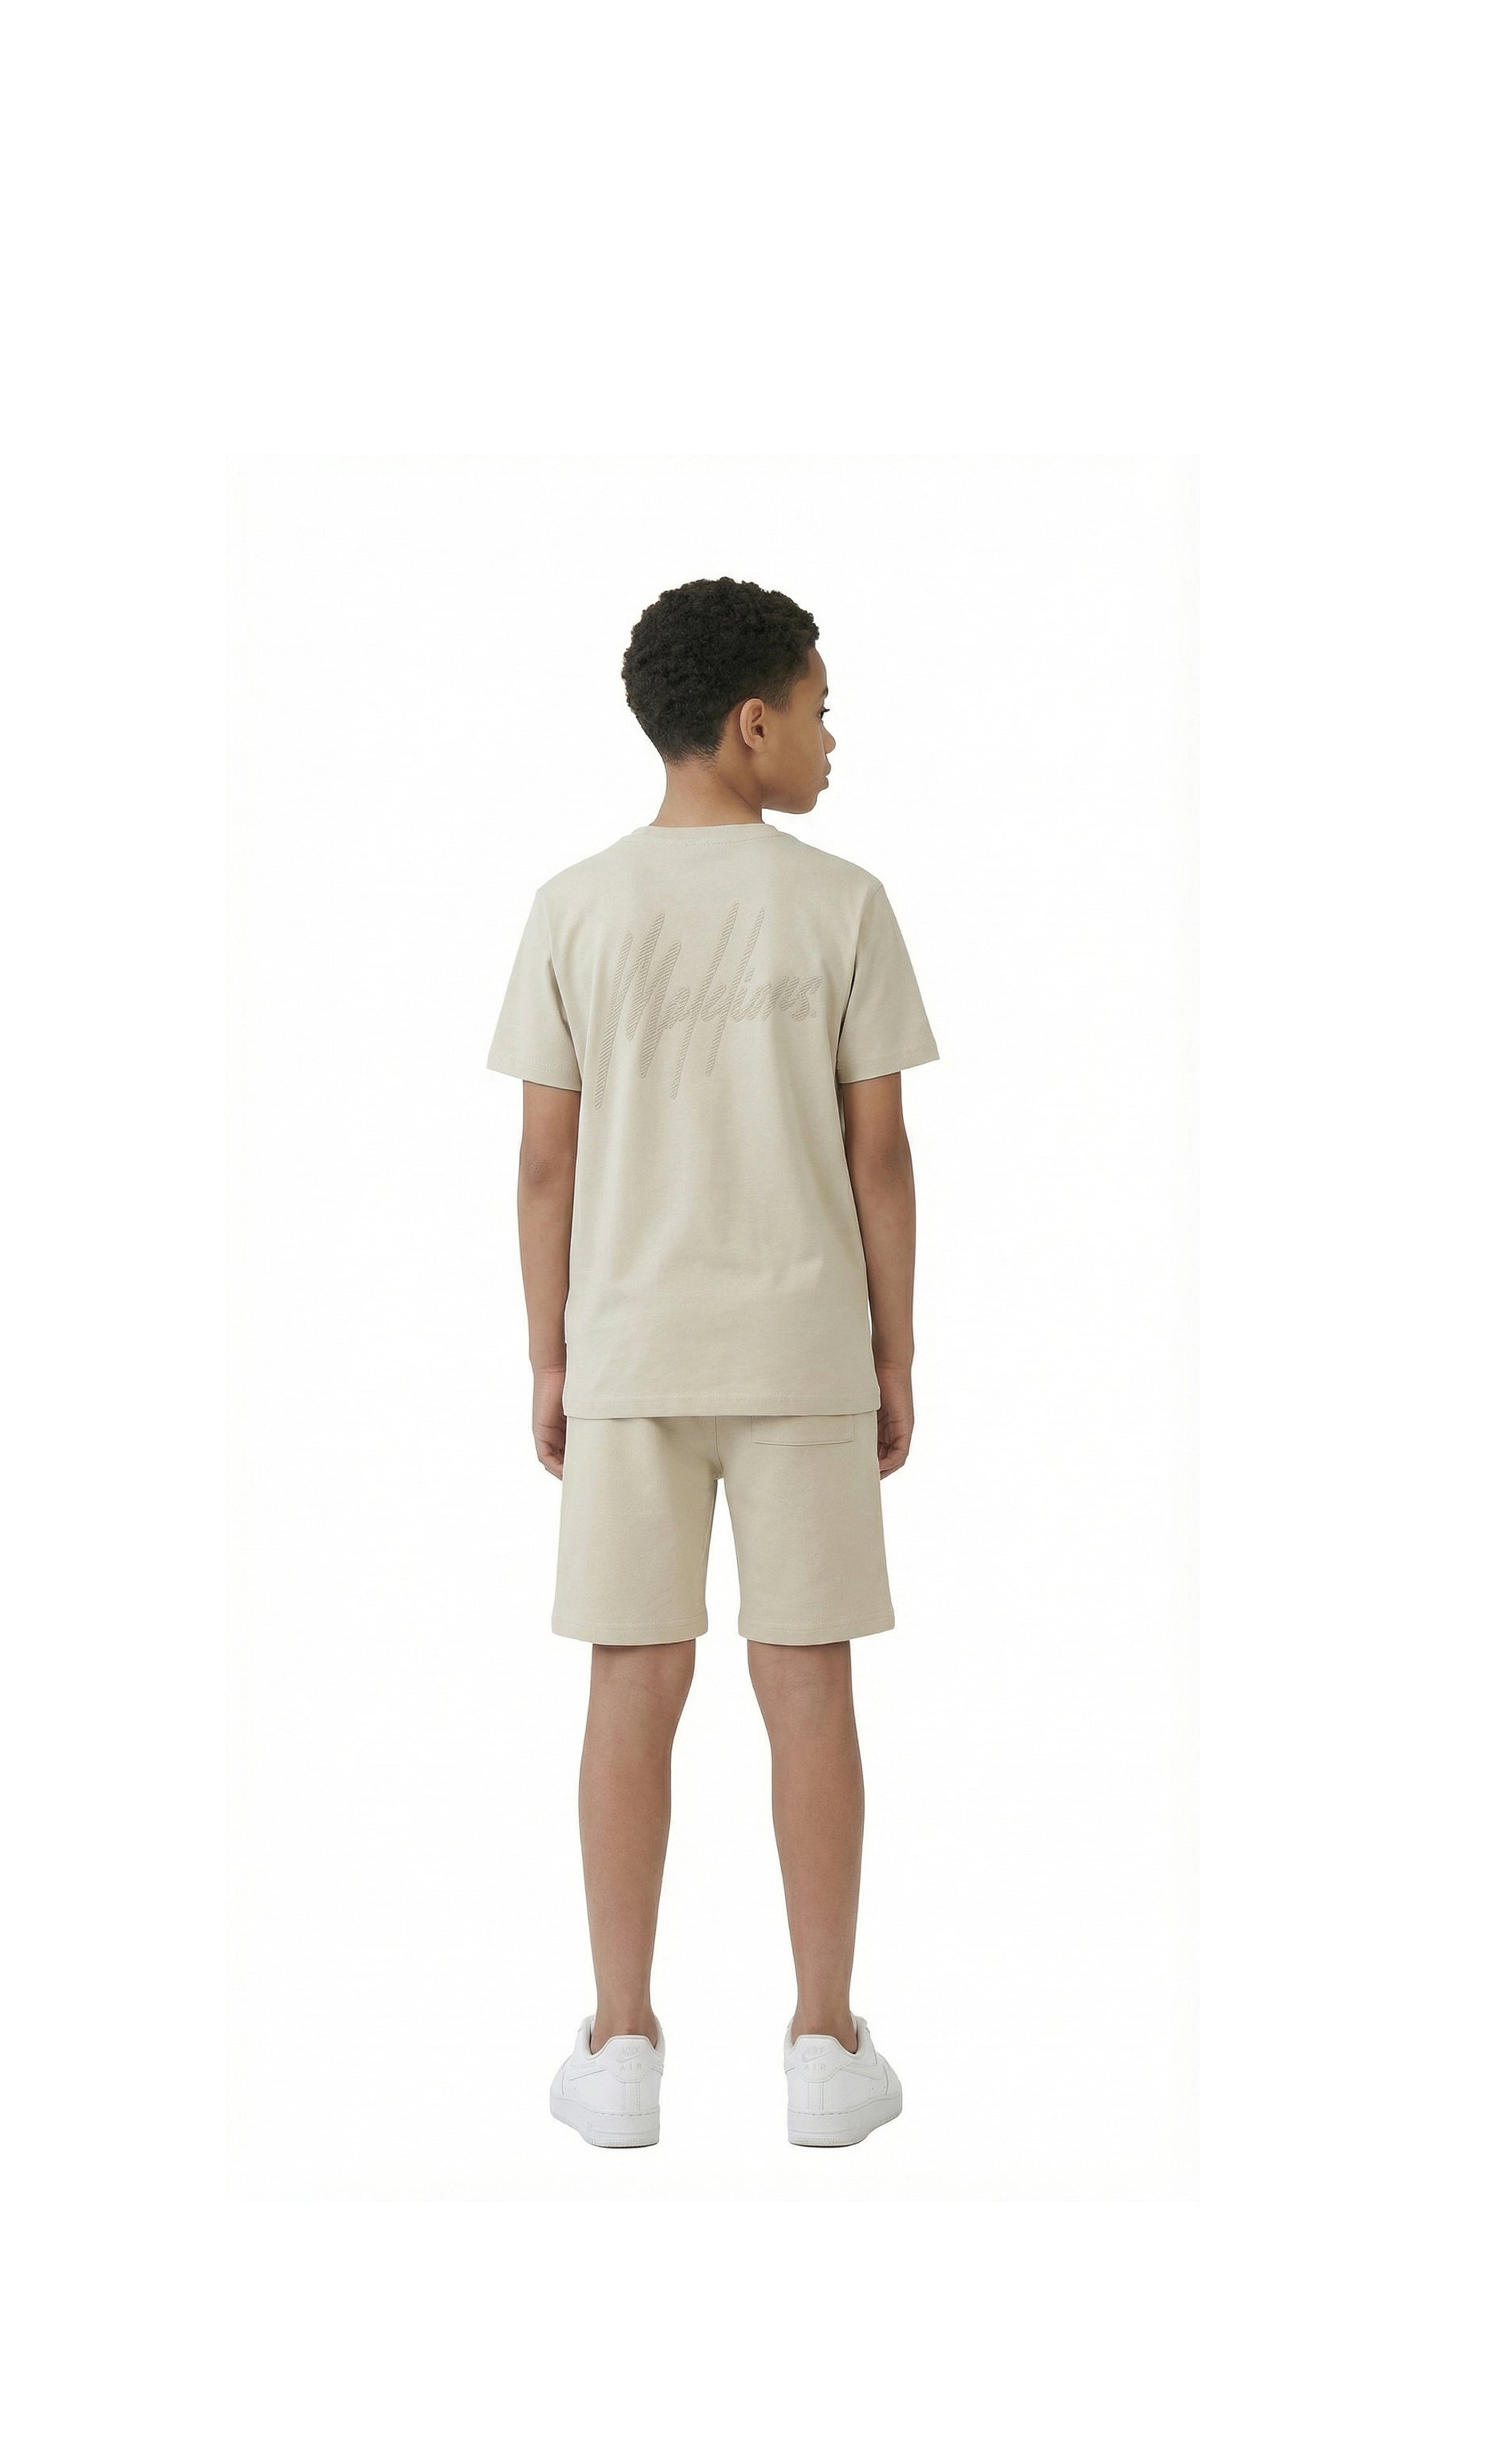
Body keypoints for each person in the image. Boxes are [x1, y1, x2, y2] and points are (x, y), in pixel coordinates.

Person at [487, 576, 937, 2148]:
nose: (831, 739)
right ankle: (824, 2046)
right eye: (819, 709)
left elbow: (544, 1165)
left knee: (632, 1681)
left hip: (628, 1353)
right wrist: (895, 1350)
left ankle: (619, 2048)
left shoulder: (575, 906)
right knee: (807, 1686)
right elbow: (879, 1156)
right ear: (753, 724)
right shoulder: (843, 904)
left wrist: (549, 1358)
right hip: (806, 1350)